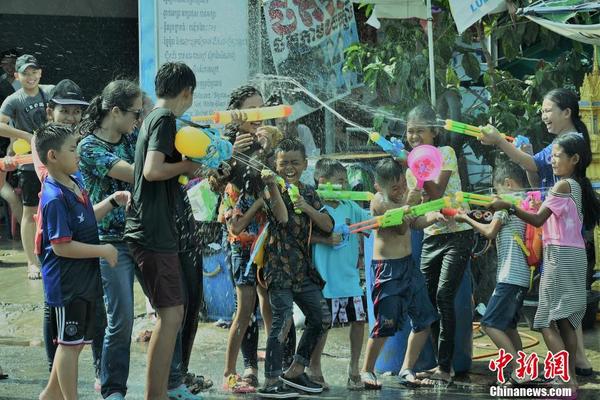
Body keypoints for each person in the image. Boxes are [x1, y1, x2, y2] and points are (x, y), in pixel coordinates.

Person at [480, 88, 596, 376]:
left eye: (548, 109)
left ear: (566, 112)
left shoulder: (569, 151)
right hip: (564, 246)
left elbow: (536, 195)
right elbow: (535, 176)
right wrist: (529, 155)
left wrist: (499, 143)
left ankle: (565, 373)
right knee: (567, 313)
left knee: (546, 319)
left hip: (560, 249)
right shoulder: (563, 153)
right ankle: (574, 363)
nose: (543, 115)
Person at [124, 62, 202, 400]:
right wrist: (189, 165)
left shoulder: (152, 119)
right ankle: (156, 394)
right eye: (191, 96)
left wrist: (185, 168)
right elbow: (155, 170)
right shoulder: (165, 120)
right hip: (152, 232)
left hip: (154, 229)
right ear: (186, 92)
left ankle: (160, 392)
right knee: (171, 315)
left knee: (172, 313)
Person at [35, 123, 123, 400]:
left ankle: (50, 394)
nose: (78, 155)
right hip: (67, 284)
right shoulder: (54, 198)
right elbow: (61, 247)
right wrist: (103, 251)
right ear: (52, 156)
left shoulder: (76, 183)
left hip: (83, 280)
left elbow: (84, 221)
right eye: (73, 150)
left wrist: (111, 202)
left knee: (75, 343)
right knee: (68, 346)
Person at [78, 79, 142, 400]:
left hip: (140, 237)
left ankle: (174, 379)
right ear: (115, 111)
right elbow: (135, 173)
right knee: (122, 321)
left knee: (173, 309)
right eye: (134, 114)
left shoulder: (131, 138)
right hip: (109, 242)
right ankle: (113, 388)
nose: (137, 120)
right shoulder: (89, 147)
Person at [258, 138, 333, 398]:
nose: (289, 167)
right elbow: (282, 217)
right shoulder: (268, 189)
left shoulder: (309, 192)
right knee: (282, 322)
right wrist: (272, 186)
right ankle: (270, 381)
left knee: (322, 317)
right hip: (278, 268)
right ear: (275, 165)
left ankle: (296, 370)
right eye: (283, 163)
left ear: (305, 164)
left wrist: (307, 207)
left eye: (295, 162)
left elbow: (328, 224)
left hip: (303, 269)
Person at [405, 105, 473, 384]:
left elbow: (436, 191)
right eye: (410, 130)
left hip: (459, 232)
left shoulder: (446, 154)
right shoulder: (411, 163)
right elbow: (418, 207)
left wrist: (419, 172)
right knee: (429, 300)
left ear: (434, 131)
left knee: (444, 296)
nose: (414, 135)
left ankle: (446, 368)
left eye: (420, 130)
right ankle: (438, 364)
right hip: (432, 235)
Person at [360, 158, 441, 389]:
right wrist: (410, 201)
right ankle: (367, 370)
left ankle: (407, 368)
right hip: (387, 271)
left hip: (408, 266)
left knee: (424, 319)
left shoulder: (403, 199)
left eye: (403, 185)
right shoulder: (379, 203)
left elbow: (414, 223)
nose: (401, 191)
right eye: (395, 188)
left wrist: (431, 217)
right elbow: (401, 226)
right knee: (385, 324)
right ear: (379, 187)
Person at [454, 159, 530, 384]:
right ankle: (522, 369)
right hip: (522, 276)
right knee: (509, 326)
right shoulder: (526, 202)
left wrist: (465, 218)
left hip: (510, 275)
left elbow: (489, 232)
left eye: (496, 190)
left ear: (507, 183)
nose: (495, 196)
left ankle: (519, 369)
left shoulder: (507, 203)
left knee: (489, 324)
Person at [308, 158, 370, 390]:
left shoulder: (350, 206)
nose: (344, 186)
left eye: (345, 181)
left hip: (350, 278)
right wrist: (325, 239)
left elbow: (370, 221)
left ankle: (354, 368)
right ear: (322, 182)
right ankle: (314, 368)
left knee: (359, 320)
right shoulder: (314, 206)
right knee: (323, 325)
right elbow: (303, 235)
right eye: (340, 181)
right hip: (325, 280)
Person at [0, 54, 55, 280]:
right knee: (30, 212)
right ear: (17, 75)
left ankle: (60, 254)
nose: (30, 76)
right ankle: (32, 263)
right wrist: (26, 136)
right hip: (30, 165)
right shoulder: (13, 100)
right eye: (25, 73)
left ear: (40, 73)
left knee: (57, 207)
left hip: (55, 161)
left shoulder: (51, 91)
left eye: (34, 72)